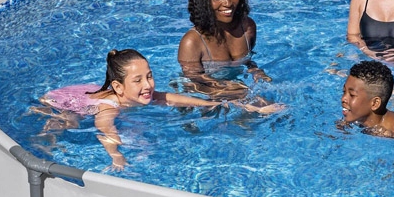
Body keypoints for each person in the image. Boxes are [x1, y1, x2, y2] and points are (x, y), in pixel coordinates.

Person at [38, 49, 280, 170]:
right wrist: (117, 157)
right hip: (56, 103)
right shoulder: (107, 108)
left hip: (84, 93)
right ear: (118, 87)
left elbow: (180, 100)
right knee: (70, 122)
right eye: (138, 80)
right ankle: (43, 144)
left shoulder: (140, 95)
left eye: (149, 76)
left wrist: (228, 104)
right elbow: (105, 131)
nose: (147, 85)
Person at [177, 0, 270, 98]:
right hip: (205, 98)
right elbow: (191, 83)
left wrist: (255, 71)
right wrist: (226, 90)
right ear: (203, 1)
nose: (228, 2)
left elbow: (247, 61)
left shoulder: (247, 28)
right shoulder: (192, 42)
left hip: (237, 89)